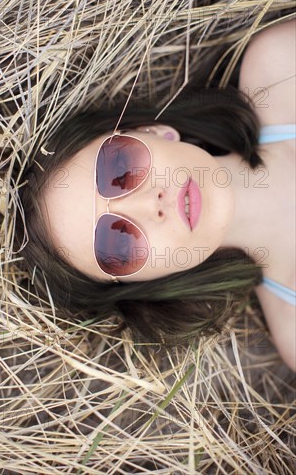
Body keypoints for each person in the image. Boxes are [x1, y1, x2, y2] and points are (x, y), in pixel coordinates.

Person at [15, 19, 295, 371]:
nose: (149, 203)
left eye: (121, 170)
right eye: (119, 243)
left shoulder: (282, 68)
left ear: (152, 132)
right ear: (148, 282)